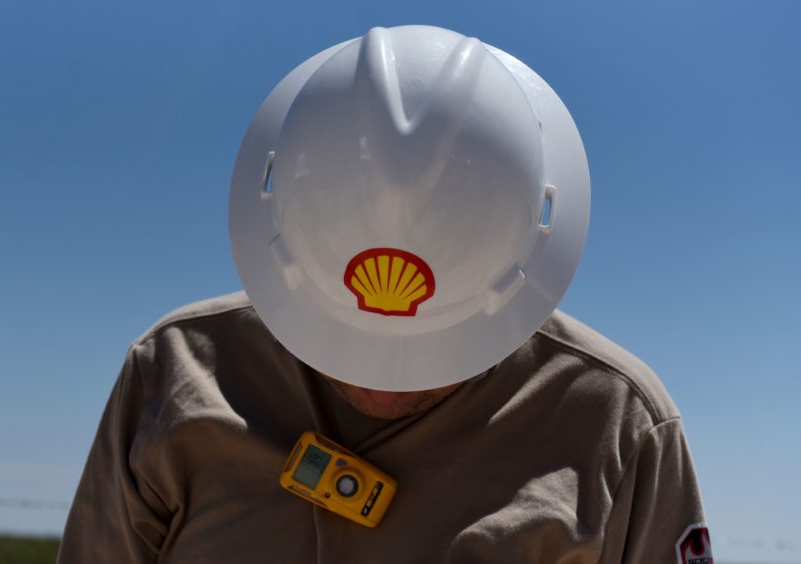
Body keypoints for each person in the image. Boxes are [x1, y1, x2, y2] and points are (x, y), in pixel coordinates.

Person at [59, 25, 711, 564]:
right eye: (337, 345)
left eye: (444, 355)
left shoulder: (618, 427)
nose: (384, 391)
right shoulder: (174, 375)